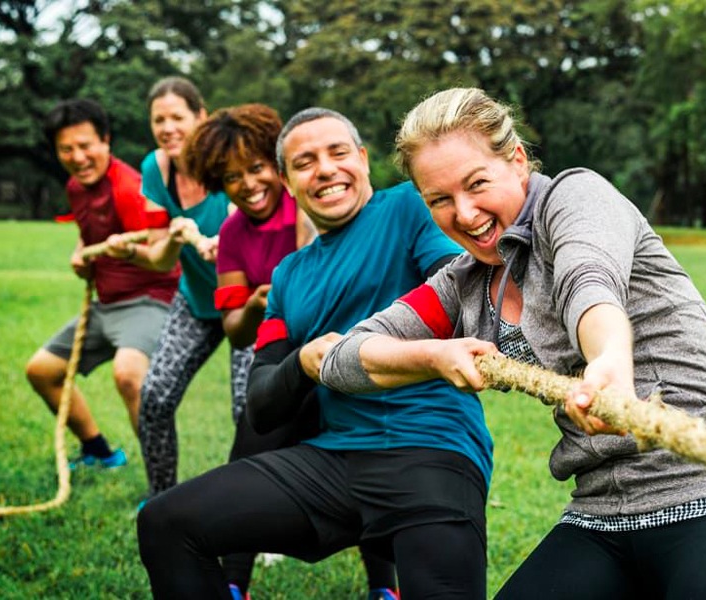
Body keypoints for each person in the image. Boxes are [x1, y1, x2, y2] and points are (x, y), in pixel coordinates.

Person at [320, 88, 706, 600]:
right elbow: (345, 359)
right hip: (602, 516)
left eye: (476, 184)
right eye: (440, 200)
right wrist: (433, 355)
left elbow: (589, 283)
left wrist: (609, 365)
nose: (464, 214)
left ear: (516, 161)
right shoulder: (461, 284)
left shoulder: (575, 198)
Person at [138, 107, 493, 600]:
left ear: (364, 160)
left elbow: (460, 294)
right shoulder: (288, 277)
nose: (325, 169)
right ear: (287, 181)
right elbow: (262, 405)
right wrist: (304, 360)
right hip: (334, 463)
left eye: (338, 153)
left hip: (430, 451)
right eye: (304, 162)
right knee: (165, 522)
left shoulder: (408, 209)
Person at [181, 103, 391, 600]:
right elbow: (234, 330)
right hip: (284, 359)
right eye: (231, 177)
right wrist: (258, 303)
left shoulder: (312, 202)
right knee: (249, 450)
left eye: (256, 169)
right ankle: (234, 583)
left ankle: (386, 587)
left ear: (278, 172)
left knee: (370, 458)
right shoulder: (232, 234)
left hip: (347, 351)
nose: (248, 184)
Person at [26, 98, 179, 469]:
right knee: (42, 371)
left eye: (86, 145)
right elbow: (90, 233)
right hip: (106, 304)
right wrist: (82, 253)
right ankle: (99, 452)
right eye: (67, 149)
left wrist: (124, 253)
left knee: (128, 373)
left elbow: (163, 256)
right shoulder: (77, 188)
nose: (78, 157)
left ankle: (163, 486)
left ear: (106, 141)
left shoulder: (130, 188)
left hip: (149, 299)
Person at [111, 76, 242, 501]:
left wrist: (233, 244)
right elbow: (160, 259)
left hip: (251, 302)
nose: (167, 128)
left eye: (177, 117)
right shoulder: (155, 168)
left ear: (200, 117)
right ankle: (162, 501)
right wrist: (172, 236)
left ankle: (261, 520)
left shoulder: (228, 160)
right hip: (198, 299)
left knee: (250, 412)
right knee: (154, 396)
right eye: (158, 119)